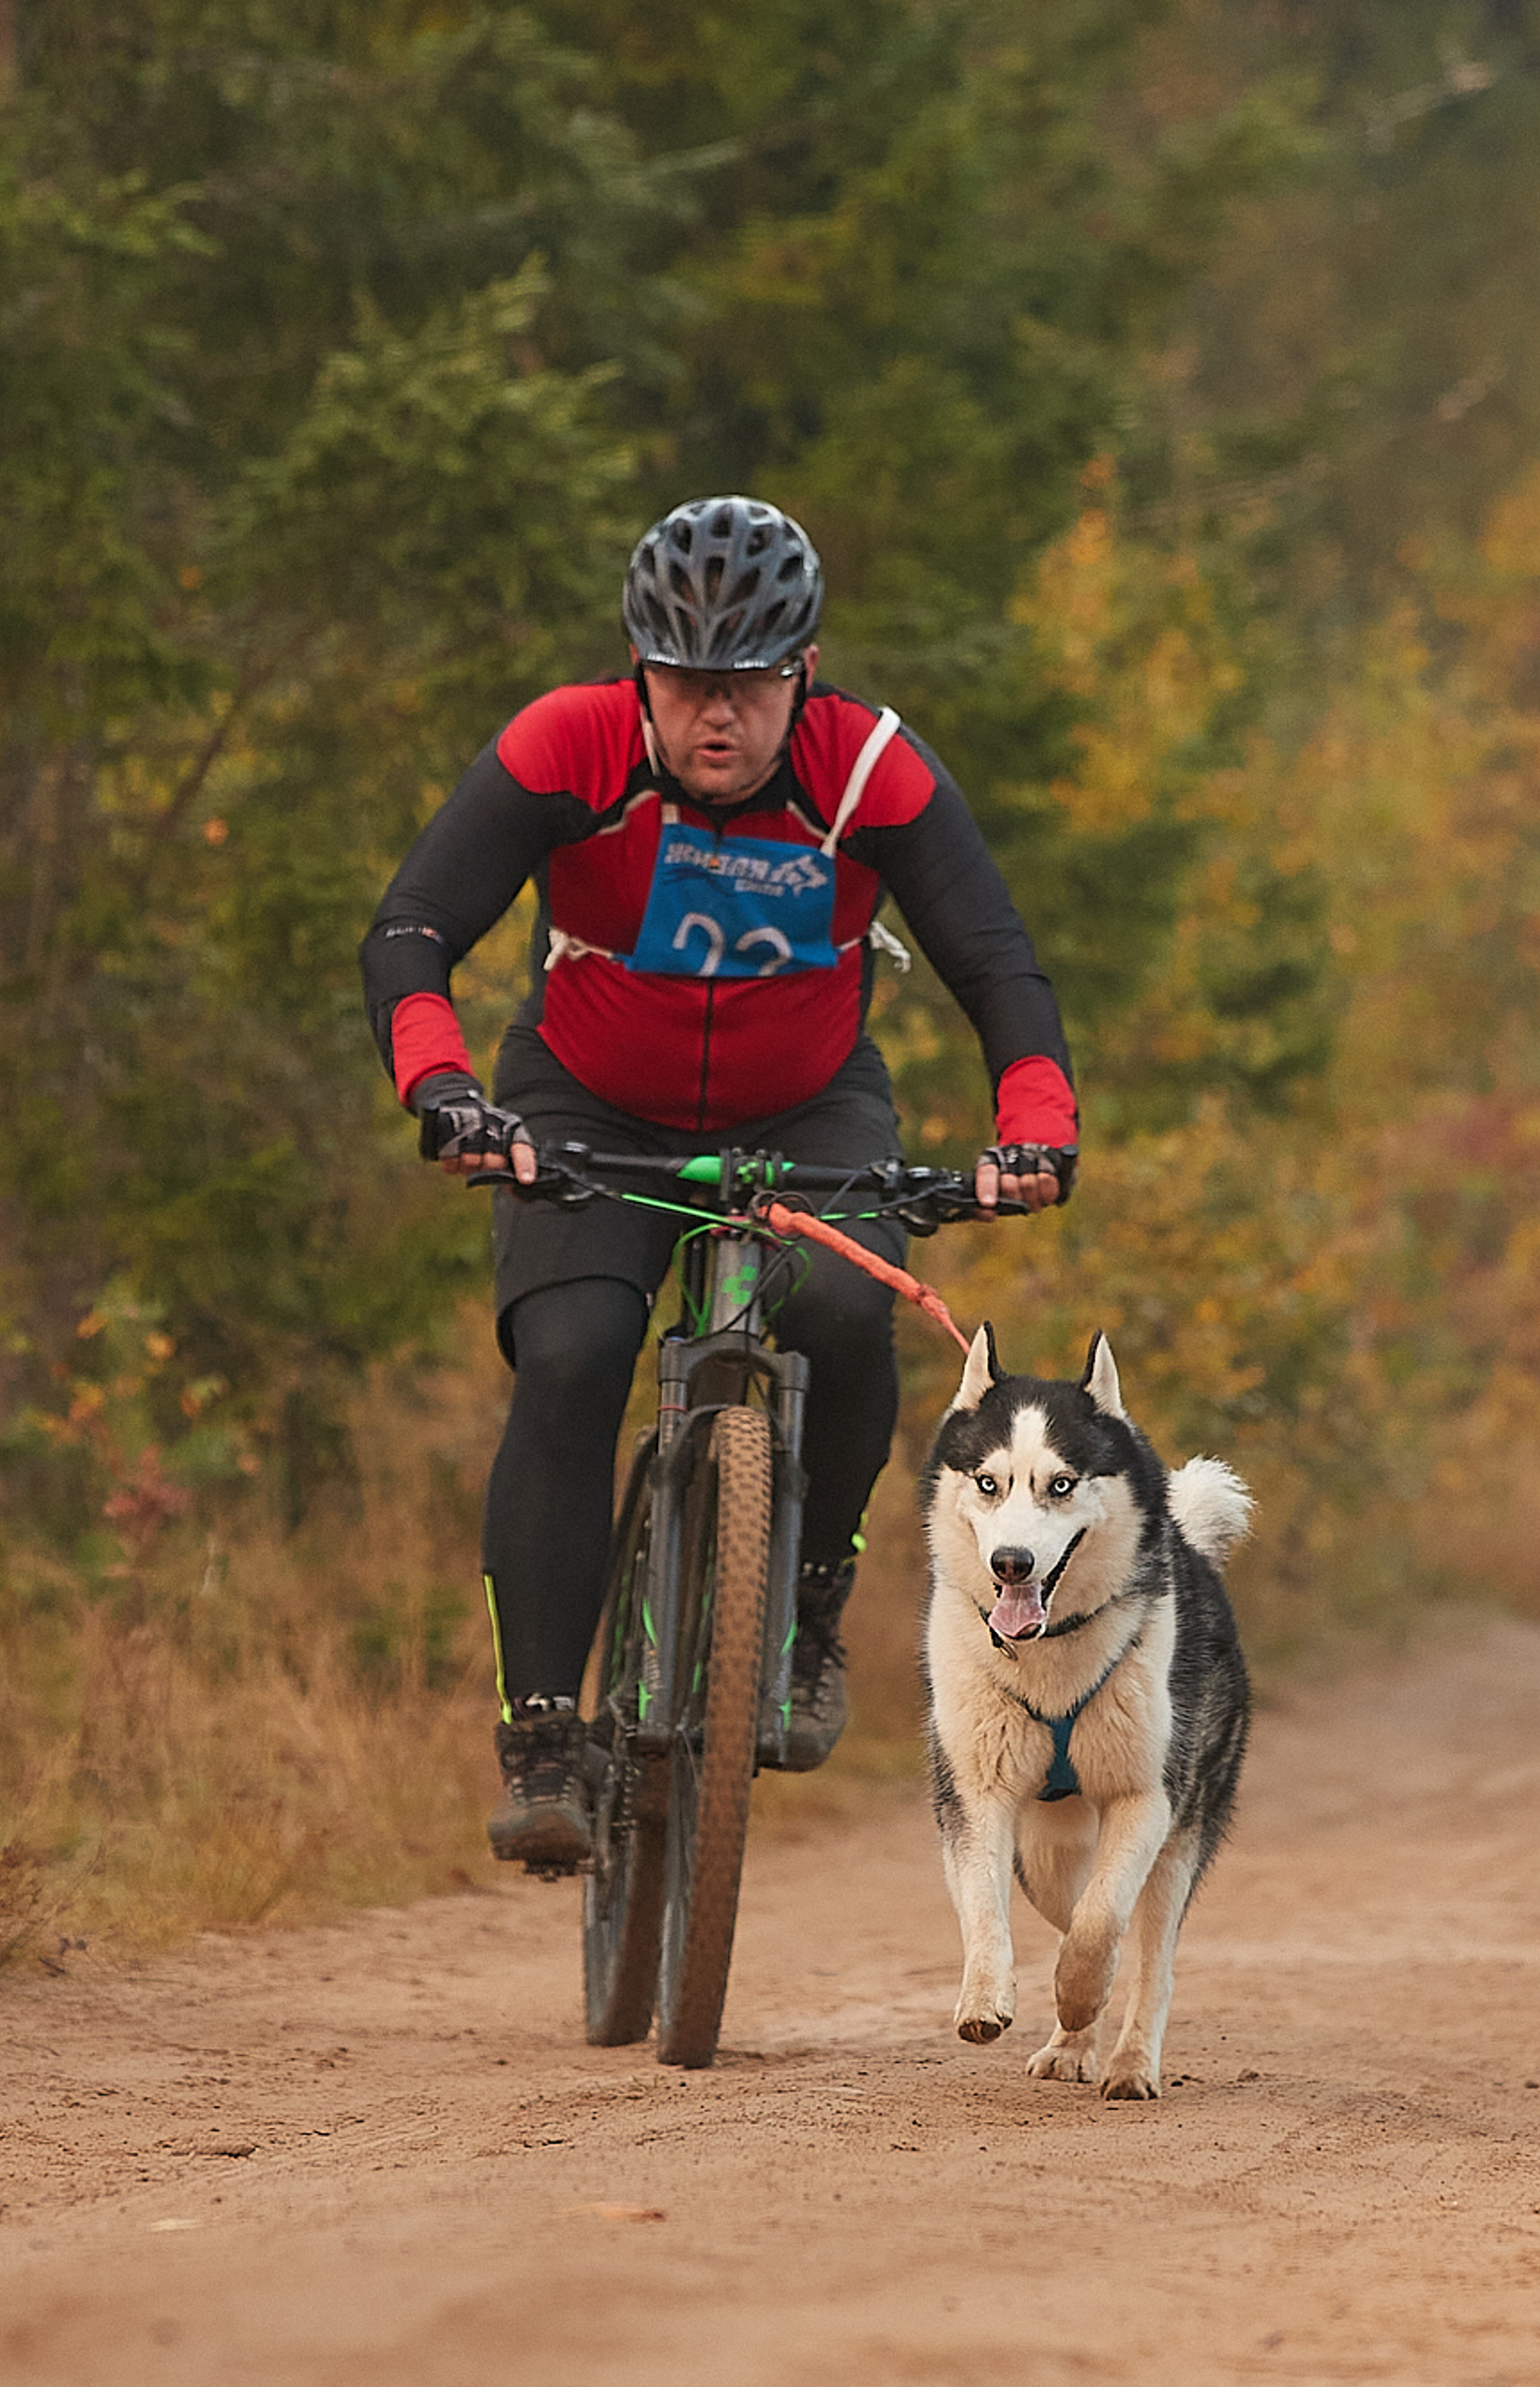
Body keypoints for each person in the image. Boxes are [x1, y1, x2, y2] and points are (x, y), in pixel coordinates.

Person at [360, 495, 1077, 1870]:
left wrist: (1033, 1124)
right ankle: (543, 1735)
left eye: (746, 687)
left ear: (800, 673)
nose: (716, 721)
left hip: (809, 1101)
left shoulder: (870, 770)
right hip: (585, 1095)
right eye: (687, 685)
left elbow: (1000, 966)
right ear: (641, 672)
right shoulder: (562, 746)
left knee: (844, 1317)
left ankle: (805, 1616)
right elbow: (410, 931)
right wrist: (447, 1092)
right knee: (572, 1355)